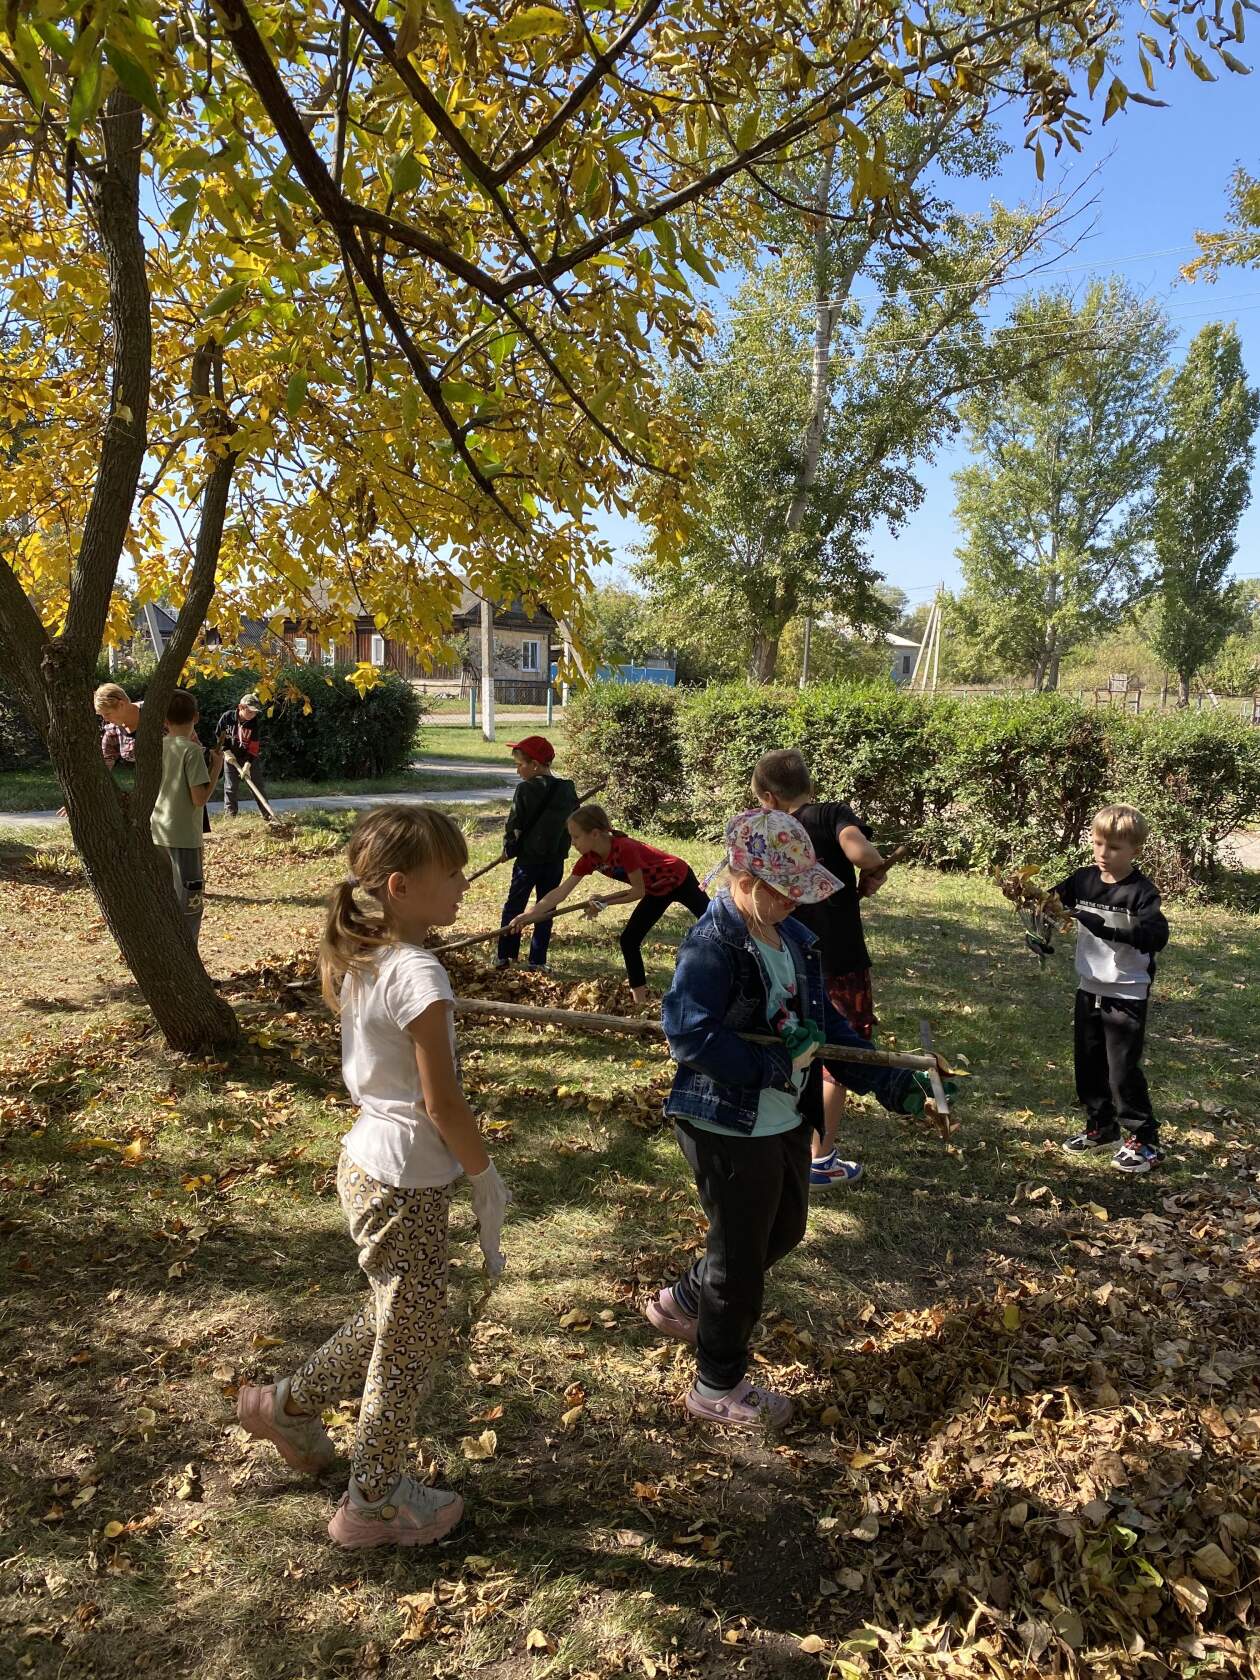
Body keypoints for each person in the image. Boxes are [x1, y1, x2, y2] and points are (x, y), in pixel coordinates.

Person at [236, 806, 511, 1549]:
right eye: (450, 874)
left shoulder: (368, 951)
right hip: (402, 1181)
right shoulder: (417, 970)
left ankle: (286, 1406)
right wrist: (484, 1178)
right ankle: (375, 1501)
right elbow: (441, 1100)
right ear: (400, 885)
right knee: (408, 1344)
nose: (462, 885)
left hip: (371, 1166)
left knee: (401, 1315)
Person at [643, 809, 949, 1428]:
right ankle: (716, 1386)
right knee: (739, 1258)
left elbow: (832, 1030)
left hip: (782, 1118)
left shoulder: (795, 941)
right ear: (747, 882)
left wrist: (894, 1084)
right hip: (726, 1121)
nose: (795, 906)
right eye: (785, 895)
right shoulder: (713, 945)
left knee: (783, 1232)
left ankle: (685, 1299)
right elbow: (689, 1037)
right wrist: (779, 1065)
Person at [751, 749, 890, 1189]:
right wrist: (874, 870)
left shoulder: (767, 830)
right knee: (837, 1056)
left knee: (787, 1042)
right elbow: (861, 853)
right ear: (809, 786)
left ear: (768, 797)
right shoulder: (831, 814)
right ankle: (821, 1157)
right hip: (838, 962)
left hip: (783, 957)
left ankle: (778, 1135)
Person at [1052, 804, 1169, 1174]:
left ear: (1135, 849)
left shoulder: (1141, 893)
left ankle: (1144, 1140)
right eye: (1098, 843)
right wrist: (1040, 924)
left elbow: (1156, 937)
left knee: (1121, 1071)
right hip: (1090, 985)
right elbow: (1054, 904)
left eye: (1114, 847)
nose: (1103, 853)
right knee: (1088, 1065)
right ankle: (1101, 1128)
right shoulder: (1083, 880)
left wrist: (1105, 927)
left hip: (1127, 991)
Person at [508, 804, 707, 1003]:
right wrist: (528, 915)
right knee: (629, 941)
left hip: (679, 879)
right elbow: (560, 893)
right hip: (656, 891)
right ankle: (640, 1002)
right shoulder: (590, 859)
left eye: (576, 837)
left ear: (594, 834)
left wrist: (604, 902)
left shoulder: (624, 848)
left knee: (718, 926)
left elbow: (637, 891)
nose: (572, 843)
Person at [494, 735, 578, 972]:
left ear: (535, 765)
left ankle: (505, 956)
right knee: (546, 909)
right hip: (554, 861)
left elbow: (514, 825)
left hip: (528, 861)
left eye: (520, 765)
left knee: (515, 906)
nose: (518, 771)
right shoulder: (567, 789)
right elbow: (574, 822)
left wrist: (508, 849)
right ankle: (537, 960)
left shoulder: (524, 790)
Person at [151, 690, 222, 947]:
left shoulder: (155, 746)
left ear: (163, 720)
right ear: (196, 717)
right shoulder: (192, 752)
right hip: (184, 837)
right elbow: (199, 798)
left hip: (157, 831)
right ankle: (186, 955)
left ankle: (162, 948)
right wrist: (216, 768)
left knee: (164, 896)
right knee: (189, 903)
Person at [216, 692, 268, 816]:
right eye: (250, 711)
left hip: (248, 758)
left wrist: (247, 765)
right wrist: (226, 751)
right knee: (230, 788)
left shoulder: (253, 722)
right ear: (240, 707)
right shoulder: (227, 717)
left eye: (255, 712)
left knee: (257, 787)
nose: (252, 715)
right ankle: (230, 816)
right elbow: (220, 736)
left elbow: (254, 745)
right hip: (231, 758)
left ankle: (268, 816)